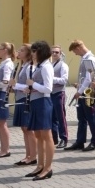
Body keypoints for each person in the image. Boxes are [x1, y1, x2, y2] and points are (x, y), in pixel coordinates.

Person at [25, 41, 55, 180]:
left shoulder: (46, 67)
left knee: (46, 135)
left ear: (40, 51)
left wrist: (33, 84)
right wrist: (30, 88)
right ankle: (40, 165)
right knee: (38, 135)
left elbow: (48, 88)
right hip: (36, 101)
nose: (32, 53)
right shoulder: (39, 66)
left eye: (34, 50)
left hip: (43, 102)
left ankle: (48, 167)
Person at [65, 40, 95, 151]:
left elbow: (89, 78)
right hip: (83, 90)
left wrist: (80, 91)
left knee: (91, 118)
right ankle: (80, 141)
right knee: (81, 118)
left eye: (75, 51)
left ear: (79, 48)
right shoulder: (84, 58)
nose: (75, 53)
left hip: (88, 92)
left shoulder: (89, 59)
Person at [12, 45, 36, 166]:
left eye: (22, 50)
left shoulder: (30, 67)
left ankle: (33, 156)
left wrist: (15, 85)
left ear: (28, 54)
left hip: (26, 100)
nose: (18, 52)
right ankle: (28, 155)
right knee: (24, 128)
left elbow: (29, 87)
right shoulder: (22, 66)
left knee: (28, 129)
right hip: (20, 98)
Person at [50, 45, 69, 148]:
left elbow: (64, 80)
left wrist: (51, 79)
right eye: (53, 52)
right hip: (50, 93)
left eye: (56, 52)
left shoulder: (63, 65)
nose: (54, 54)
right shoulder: (50, 64)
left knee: (61, 117)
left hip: (59, 93)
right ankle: (54, 138)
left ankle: (64, 138)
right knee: (52, 117)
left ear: (60, 54)